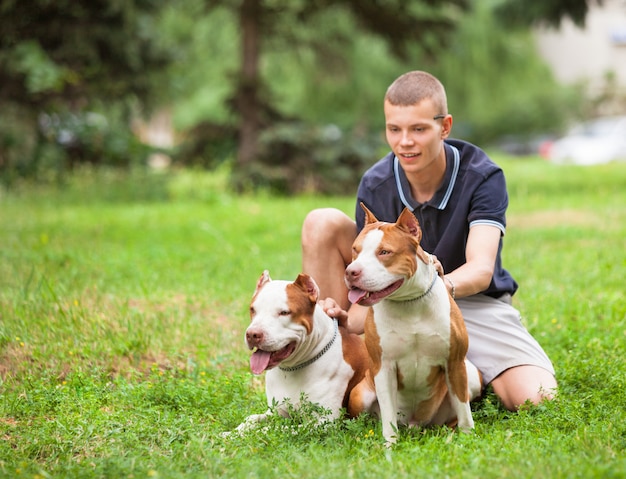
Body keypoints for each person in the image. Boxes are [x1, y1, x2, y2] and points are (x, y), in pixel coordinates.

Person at [301, 70, 557, 411]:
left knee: (537, 399)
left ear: (445, 127)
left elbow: (480, 270)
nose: (404, 141)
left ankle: (463, 369)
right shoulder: (376, 183)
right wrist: (347, 314)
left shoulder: (482, 176)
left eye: (418, 129)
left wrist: (433, 284)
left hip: (470, 301)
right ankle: (337, 357)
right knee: (321, 222)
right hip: (395, 302)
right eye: (395, 129)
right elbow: (373, 274)